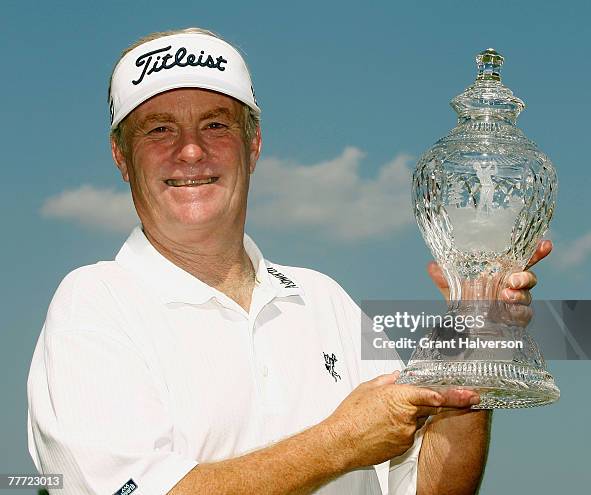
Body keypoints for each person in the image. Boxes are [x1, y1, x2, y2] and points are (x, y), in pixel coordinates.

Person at [27, 28, 550, 495]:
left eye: (215, 125)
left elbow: (430, 488)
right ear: (121, 156)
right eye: (159, 129)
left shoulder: (324, 298)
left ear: (253, 146)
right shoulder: (95, 303)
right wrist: (340, 442)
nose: (190, 151)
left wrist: (472, 351)